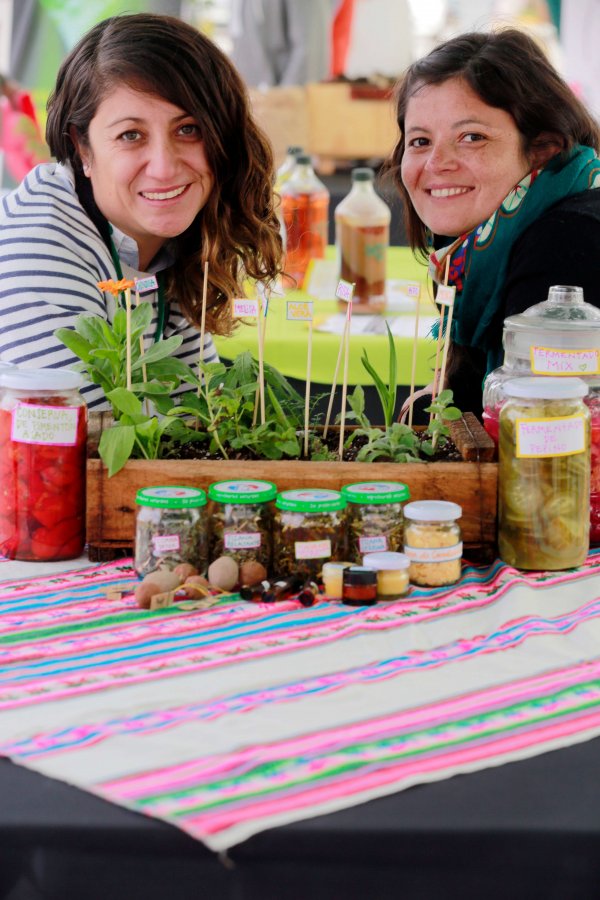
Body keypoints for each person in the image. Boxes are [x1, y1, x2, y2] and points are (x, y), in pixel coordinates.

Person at [0, 13, 283, 409]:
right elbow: (93, 449)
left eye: (188, 129)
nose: (164, 167)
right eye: (130, 135)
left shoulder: (166, 241)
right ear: (82, 147)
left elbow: (196, 416)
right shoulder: (38, 247)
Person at [388, 28, 600, 419]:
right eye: (420, 141)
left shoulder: (567, 243)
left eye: (471, 137)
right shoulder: (481, 241)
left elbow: (541, 431)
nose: (437, 164)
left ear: (542, 150)